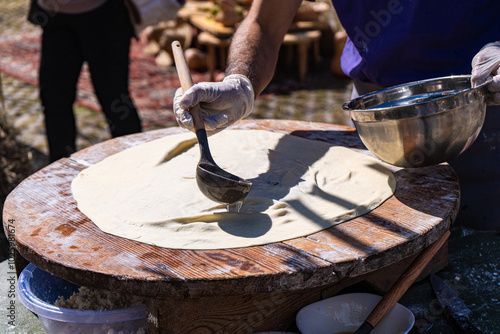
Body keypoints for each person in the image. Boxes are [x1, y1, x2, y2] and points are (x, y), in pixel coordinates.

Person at [173, 0, 500, 230]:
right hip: (377, 117)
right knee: (384, 239)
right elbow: (265, 22)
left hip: (480, 106)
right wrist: (241, 83)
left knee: (478, 259)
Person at [30, 0, 142, 162]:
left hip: (103, 14)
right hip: (55, 15)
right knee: (54, 99)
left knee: (114, 98)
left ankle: (137, 164)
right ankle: (61, 172)